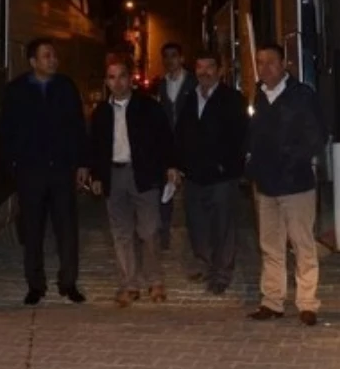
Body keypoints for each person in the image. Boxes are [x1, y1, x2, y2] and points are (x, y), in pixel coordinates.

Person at [79, 56, 180, 307]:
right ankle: (128, 284)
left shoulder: (148, 107)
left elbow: (165, 139)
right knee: (121, 233)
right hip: (114, 176)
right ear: (106, 82)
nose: (117, 82)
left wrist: (170, 166)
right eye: (112, 77)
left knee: (149, 230)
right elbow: (94, 146)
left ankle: (155, 280)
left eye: (122, 76)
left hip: (143, 175)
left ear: (130, 78)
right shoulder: (101, 112)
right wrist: (96, 175)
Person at [0, 38, 88, 306]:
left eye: (54, 55)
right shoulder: (16, 90)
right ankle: (35, 285)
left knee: (67, 230)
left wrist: (82, 163)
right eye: (47, 56)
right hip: (31, 172)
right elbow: (7, 131)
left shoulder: (66, 87)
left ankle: (69, 283)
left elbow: (78, 128)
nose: (53, 60)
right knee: (33, 231)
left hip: (61, 170)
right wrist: (13, 166)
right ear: (33, 61)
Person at [245, 43, 326, 327]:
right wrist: (252, 167)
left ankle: (307, 303)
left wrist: (293, 161)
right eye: (260, 62)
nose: (265, 68)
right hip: (266, 185)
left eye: (271, 62)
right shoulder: (258, 96)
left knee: (302, 245)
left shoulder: (302, 95)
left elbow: (316, 136)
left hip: (296, 184)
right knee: (270, 246)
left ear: (284, 65)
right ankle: (272, 301)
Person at [175, 50, 247, 294]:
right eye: (200, 67)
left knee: (223, 227)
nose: (204, 72)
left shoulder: (232, 98)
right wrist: (179, 165)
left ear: (219, 70)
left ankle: (222, 274)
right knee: (198, 226)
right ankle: (205, 265)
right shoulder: (190, 98)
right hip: (194, 176)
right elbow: (181, 135)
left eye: (209, 67)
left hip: (221, 177)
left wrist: (227, 166)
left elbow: (240, 137)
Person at [152, 42, 196, 250]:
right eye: (166, 57)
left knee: (192, 191)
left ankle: (195, 235)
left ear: (181, 58)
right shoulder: (162, 85)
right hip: (167, 144)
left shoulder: (193, 83)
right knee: (164, 189)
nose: (170, 61)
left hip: (190, 144)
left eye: (173, 56)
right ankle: (164, 232)